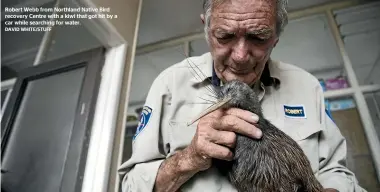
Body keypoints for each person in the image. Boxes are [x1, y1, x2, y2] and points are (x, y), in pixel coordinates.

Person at [118, 0, 365, 191]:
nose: (240, 55)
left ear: (275, 39)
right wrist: (190, 157)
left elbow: (336, 170)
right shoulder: (169, 85)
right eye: (224, 36)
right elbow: (130, 186)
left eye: (258, 37)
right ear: (207, 29)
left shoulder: (306, 86)